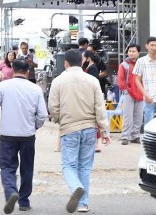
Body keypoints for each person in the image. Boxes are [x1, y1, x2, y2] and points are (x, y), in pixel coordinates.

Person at [48, 49, 111, 214]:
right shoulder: (92, 80)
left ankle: (76, 187)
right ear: (82, 62)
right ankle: (83, 204)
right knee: (84, 167)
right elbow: (100, 108)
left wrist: (59, 120)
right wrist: (104, 132)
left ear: (66, 63)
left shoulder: (58, 81)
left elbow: (53, 107)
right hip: (90, 129)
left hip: (69, 128)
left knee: (68, 165)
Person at [0, 59, 48, 214]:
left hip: (8, 135)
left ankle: (11, 191)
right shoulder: (35, 89)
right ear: (28, 72)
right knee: (27, 168)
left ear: (12, 70)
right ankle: (24, 201)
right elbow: (42, 114)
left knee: (7, 167)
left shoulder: (3, 86)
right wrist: (34, 126)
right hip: (28, 135)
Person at [117, 43, 145, 145]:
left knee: (139, 116)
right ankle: (125, 137)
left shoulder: (142, 64)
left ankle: (135, 136)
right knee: (128, 116)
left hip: (140, 93)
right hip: (128, 93)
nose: (131, 53)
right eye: (130, 51)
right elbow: (120, 79)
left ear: (138, 53)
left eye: (134, 51)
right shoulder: (123, 65)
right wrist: (125, 90)